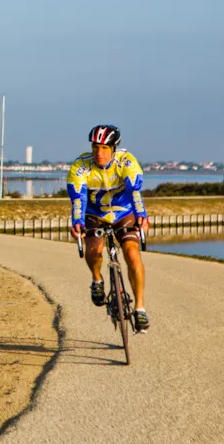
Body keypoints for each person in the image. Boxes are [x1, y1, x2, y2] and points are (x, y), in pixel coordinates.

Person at [68, 125, 151, 332]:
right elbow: (78, 198)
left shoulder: (126, 161)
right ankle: (97, 280)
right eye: (96, 147)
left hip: (123, 212)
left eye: (104, 148)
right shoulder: (81, 166)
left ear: (114, 148)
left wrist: (142, 216)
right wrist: (77, 221)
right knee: (94, 249)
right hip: (95, 213)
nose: (99, 152)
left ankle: (140, 308)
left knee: (132, 255)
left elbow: (135, 192)